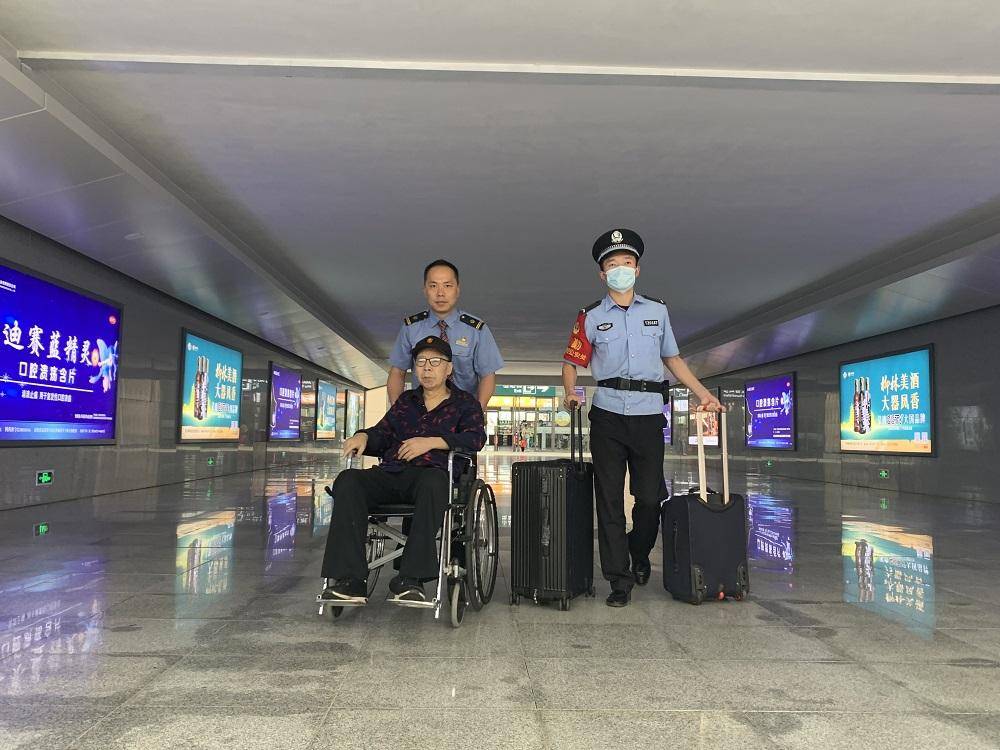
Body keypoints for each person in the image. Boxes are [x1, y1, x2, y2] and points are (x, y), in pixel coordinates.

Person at [562, 228, 723, 608]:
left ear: (637, 269)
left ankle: (638, 551)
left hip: (649, 415)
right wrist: (570, 391)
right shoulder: (589, 317)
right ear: (602, 274)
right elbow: (571, 362)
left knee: (650, 499)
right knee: (609, 501)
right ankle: (619, 580)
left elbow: (672, 358)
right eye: (612, 264)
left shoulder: (657, 311)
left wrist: (703, 393)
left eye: (627, 262)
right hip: (607, 416)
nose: (620, 269)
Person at [320, 336, 486, 604]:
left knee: (434, 483)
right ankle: (350, 580)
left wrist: (432, 442)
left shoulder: (465, 404)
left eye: (435, 362)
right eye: (421, 362)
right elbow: (383, 433)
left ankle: (410, 579)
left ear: (449, 368)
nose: (427, 368)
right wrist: (363, 436)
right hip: (392, 472)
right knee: (348, 480)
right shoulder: (406, 402)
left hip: (432, 476)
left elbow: (475, 438)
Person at [388, 259, 504, 411]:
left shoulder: (476, 330)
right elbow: (397, 372)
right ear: (425, 290)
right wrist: (398, 413)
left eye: (447, 286)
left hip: (463, 413)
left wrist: (477, 413)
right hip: (422, 413)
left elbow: (487, 376)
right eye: (433, 286)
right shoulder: (411, 328)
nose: (440, 293)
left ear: (457, 290)